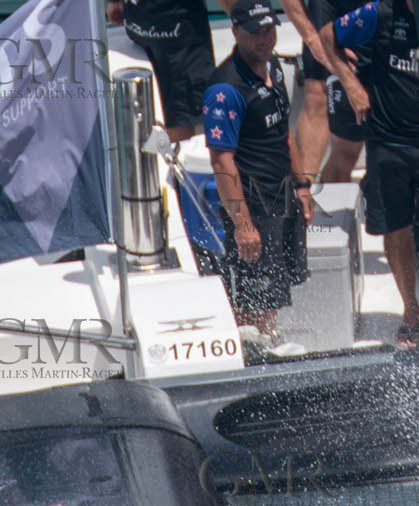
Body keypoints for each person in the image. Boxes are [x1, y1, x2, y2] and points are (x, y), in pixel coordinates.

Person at [322, 0, 419, 346]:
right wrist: (350, 83)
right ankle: (411, 310)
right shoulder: (379, 13)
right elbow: (326, 36)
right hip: (386, 140)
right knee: (395, 230)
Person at [204, 2, 314, 337]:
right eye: (255, 33)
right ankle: (254, 348)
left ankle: (270, 337)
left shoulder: (276, 66)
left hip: (281, 195)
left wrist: (302, 186)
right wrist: (243, 224)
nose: (265, 39)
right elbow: (222, 161)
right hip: (252, 204)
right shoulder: (225, 89)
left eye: (269, 30)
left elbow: (284, 131)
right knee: (254, 295)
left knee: (276, 288)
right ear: (235, 33)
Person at [108, 0, 228, 142]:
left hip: (137, 25)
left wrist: (114, 3)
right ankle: (180, 148)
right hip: (177, 37)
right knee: (186, 120)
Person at [281, 0, 367, 185]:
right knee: (317, 94)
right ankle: (303, 192)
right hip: (329, 8)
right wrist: (314, 41)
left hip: (378, 10)